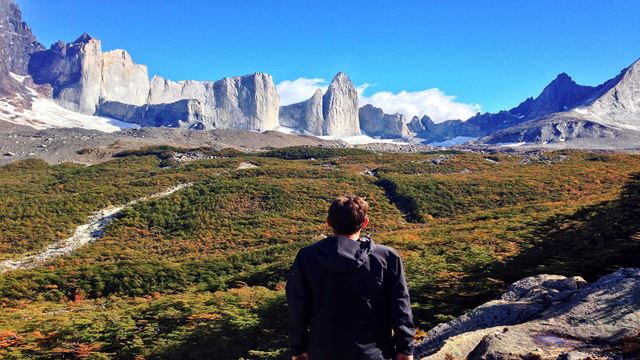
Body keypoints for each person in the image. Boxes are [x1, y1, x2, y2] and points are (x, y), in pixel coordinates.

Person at [286, 195, 415, 360]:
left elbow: (297, 306)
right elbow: (400, 306)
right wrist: (405, 348)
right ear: (365, 222)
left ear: (329, 223)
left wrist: (298, 349)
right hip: (375, 353)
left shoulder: (307, 257)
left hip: (323, 351)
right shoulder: (386, 257)